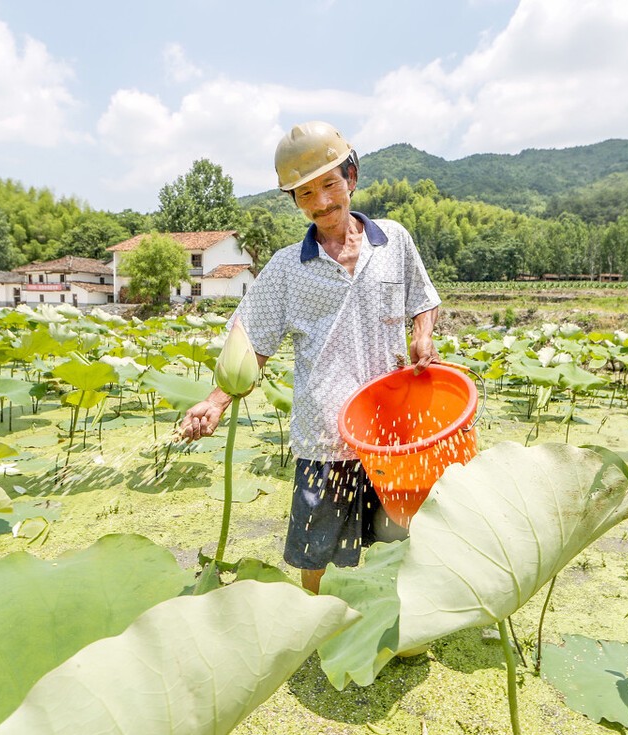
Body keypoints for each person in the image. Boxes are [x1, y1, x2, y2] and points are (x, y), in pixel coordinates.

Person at [179, 121, 440, 593]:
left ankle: (391, 624)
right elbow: (251, 341)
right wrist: (216, 401)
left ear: (352, 178)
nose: (320, 202)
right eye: (303, 194)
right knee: (316, 551)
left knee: (397, 545)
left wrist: (422, 333)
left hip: (391, 433)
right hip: (325, 437)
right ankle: (316, 623)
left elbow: (424, 299)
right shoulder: (285, 268)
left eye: (328, 185)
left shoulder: (394, 240)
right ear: (294, 201)